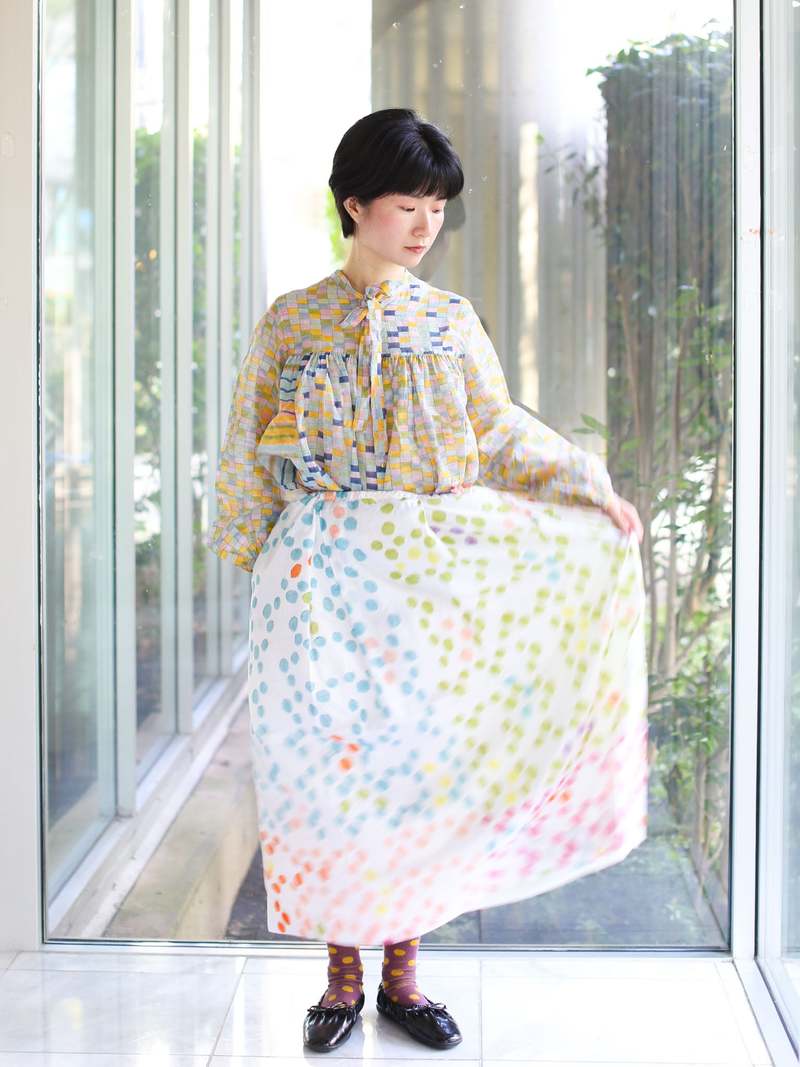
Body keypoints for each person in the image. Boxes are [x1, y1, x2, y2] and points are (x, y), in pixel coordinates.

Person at [206, 107, 647, 1054]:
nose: (424, 225)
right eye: (407, 205)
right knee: (331, 772)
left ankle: (403, 979)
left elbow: (497, 429)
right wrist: (259, 557)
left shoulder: (448, 322)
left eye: (436, 208)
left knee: (415, 771)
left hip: (423, 581)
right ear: (354, 205)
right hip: (317, 581)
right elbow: (246, 446)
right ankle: (340, 982)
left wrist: (589, 486)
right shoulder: (292, 320)